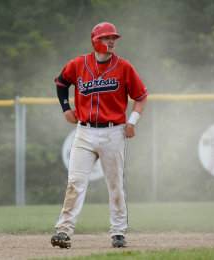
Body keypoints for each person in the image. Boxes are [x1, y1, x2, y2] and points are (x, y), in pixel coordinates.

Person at [51, 22, 148, 249]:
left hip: (113, 132)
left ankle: (118, 233)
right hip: (84, 131)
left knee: (115, 184)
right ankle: (64, 231)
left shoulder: (123, 67)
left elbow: (141, 96)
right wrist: (66, 108)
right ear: (96, 40)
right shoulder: (78, 64)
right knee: (75, 182)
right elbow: (61, 82)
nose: (112, 41)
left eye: (114, 38)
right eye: (106, 38)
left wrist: (132, 122)